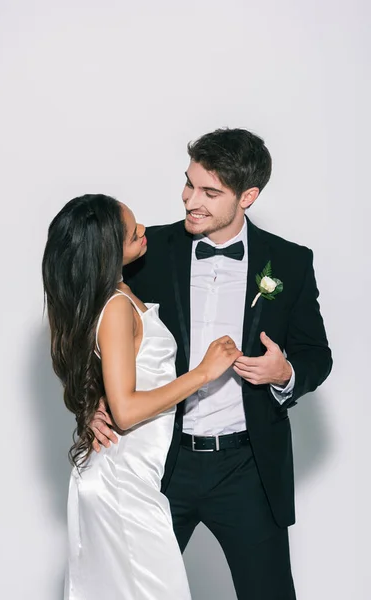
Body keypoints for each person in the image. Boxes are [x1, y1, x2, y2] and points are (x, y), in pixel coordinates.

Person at [92, 128, 333, 600]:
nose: (189, 200)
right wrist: (95, 400)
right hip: (158, 460)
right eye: (188, 184)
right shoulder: (146, 249)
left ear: (248, 196)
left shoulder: (290, 262)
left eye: (208, 192)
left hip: (247, 467)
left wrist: (284, 374)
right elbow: (94, 318)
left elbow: (316, 356)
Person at [42, 194, 241, 600]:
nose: (144, 232)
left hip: (130, 477)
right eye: (133, 234)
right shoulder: (115, 306)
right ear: (106, 251)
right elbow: (127, 410)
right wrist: (203, 373)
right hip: (122, 482)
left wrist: (97, 402)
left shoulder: (119, 291)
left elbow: (119, 385)